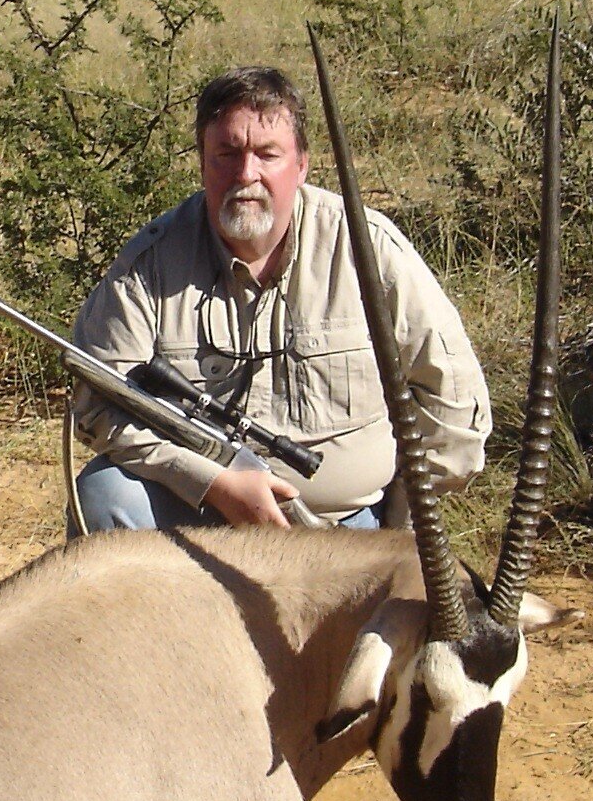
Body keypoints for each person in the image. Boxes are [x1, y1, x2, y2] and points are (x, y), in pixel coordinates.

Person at [70, 63, 492, 532]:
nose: (244, 174)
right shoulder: (149, 261)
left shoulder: (369, 248)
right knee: (105, 494)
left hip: (348, 527)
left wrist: (401, 529)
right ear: (202, 161)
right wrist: (209, 483)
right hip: (202, 518)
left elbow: (454, 400)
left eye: (267, 154)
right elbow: (99, 404)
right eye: (225, 154)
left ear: (302, 164)